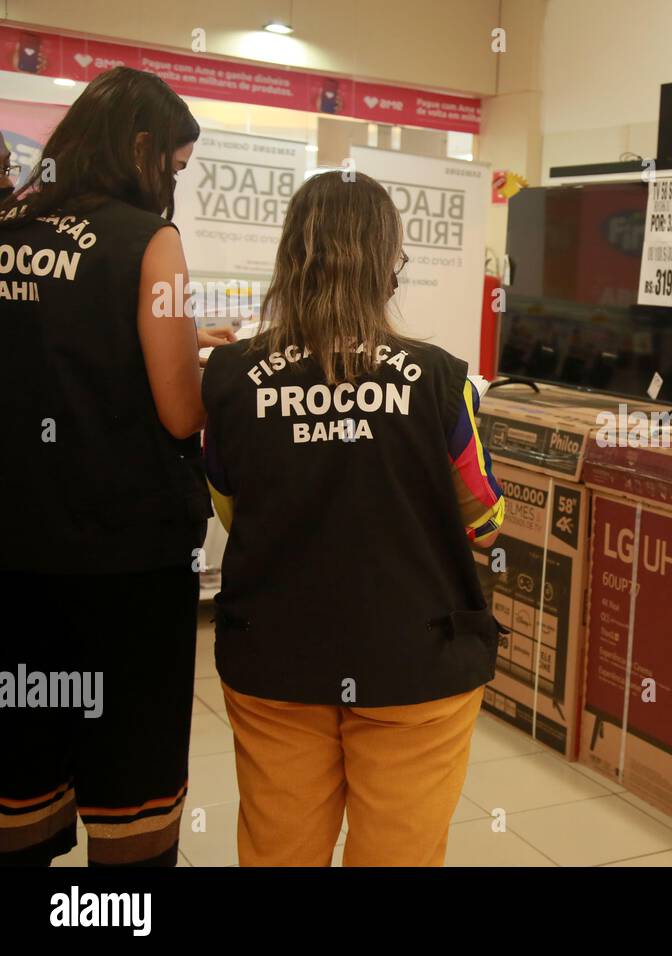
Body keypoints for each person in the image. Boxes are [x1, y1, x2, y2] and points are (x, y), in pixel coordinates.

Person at [201, 170, 506, 867]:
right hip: (415, 663)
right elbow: (483, 521)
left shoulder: (229, 375)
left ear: (290, 258)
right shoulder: (439, 379)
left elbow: (228, 503)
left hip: (274, 656)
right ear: (386, 264)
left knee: (279, 852)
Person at [0, 67, 233, 866]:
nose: (171, 184)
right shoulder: (147, 240)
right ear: (141, 148)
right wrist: (208, 366)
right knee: (129, 762)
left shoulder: (6, 224)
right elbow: (178, 410)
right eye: (172, 165)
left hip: (16, 548)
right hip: (122, 554)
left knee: (22, 752)